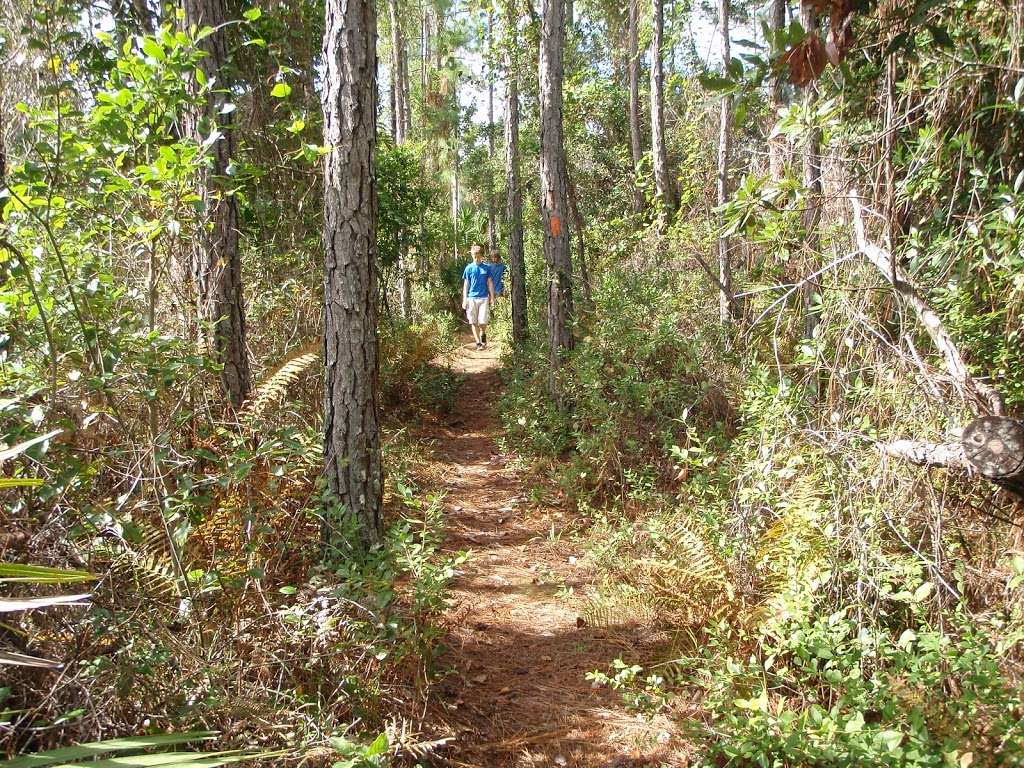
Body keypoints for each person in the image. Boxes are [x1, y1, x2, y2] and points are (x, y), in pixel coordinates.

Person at [462, 244, 495, 349]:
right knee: (473, 321)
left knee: (482, 321)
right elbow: (466, 285)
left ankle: (483, 333)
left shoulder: (486, 268)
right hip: (472, 298)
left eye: (477, 254)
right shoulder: (468, 268)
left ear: (481, 255)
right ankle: (478, 343)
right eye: (473, 254)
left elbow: (490, 283)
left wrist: (492, 298)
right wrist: (464, 299)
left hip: (484, 297)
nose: (475, 256)